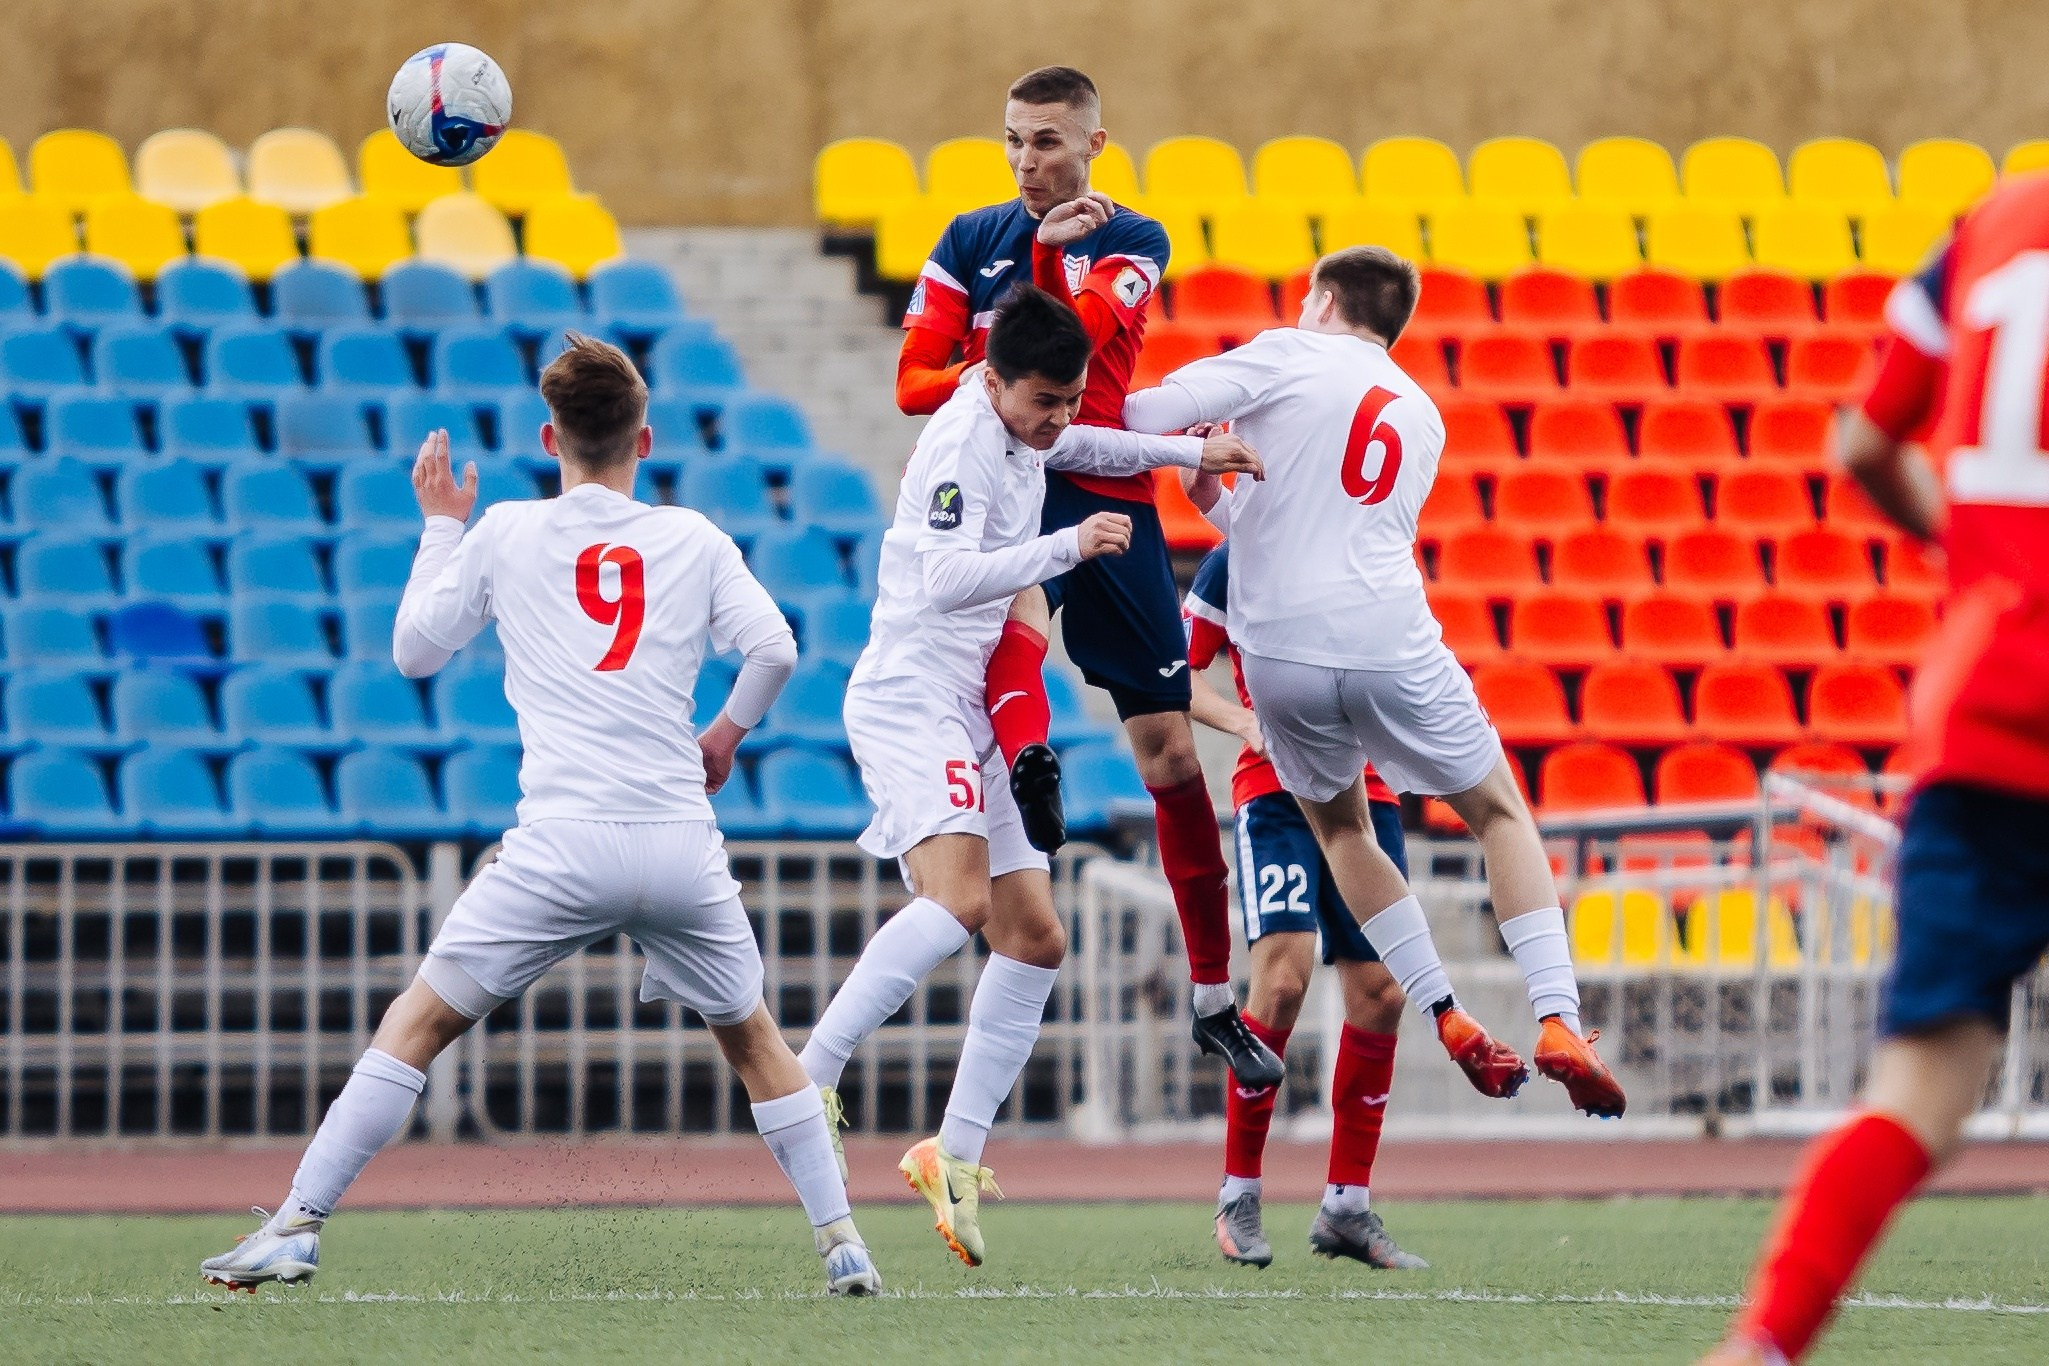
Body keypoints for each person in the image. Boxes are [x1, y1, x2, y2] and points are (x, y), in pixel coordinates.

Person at [199, 334, 882, 1297]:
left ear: (546, 437)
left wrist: (441, 523)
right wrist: (723, 738)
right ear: (644, 440)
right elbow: (773, 649)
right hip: (678, 840)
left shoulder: (507, 530)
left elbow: (413, 655)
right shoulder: (694, 537)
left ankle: (297, 1224)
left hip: (561, 841)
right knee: (757, 1040)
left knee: (419, 1021)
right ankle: (843, 1243)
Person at [810, 284, 1262, 1266]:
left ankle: (954, 1157)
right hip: (911, 693)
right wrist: (1068, 542)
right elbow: (939, 577)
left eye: (1067, 399)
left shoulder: (1029, 424)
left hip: (968, 697)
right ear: (992, 377)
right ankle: (812, 1071)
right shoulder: (960, 444)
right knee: (962, 900)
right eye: (1045, 400)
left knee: (1037, 937)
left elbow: (1091, 448)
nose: (1059, 418)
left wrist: (1189, 452)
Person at [1125, 246, 1626, 1117]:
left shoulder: (1283, 349)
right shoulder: (1423, 413)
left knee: (1341, 828)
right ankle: (1556, 1016)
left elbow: (1143, 413)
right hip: (1386, 632)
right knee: (1498, 812)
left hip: (1279, 652)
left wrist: (1190, 459)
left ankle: (1440, 1007)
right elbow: (1329, 519)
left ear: (1319, 300)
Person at [1701, 177, 2049, 1365]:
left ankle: (1764, 1343)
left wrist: (1987, 561)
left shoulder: (1993, 224)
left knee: (1920, 1088)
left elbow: (1860, 441)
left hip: (1989, 710)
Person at [896, 64, 1281, 1089]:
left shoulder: (1134, 241)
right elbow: (910, 386)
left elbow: (1091, 344)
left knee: (1166, 751)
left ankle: (1211, 998)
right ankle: (1029, 770)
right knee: (1015, 616)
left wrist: (1052, 277)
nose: (1030, 160)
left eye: (1050, 142)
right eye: (1016, 140)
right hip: (1010, 479)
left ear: (1096, 146)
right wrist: (991, 380)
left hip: (1106, 488)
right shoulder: (968, 241)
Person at [1184, 541, 1427, 1272]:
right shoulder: (1234, 560)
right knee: (1283, 980)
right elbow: (1174, 676)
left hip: (1366, 794)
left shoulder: (1372, 550)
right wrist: (1242, 722)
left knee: (1381, 992)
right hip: (1273, 794)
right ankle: (1239, 1192)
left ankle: (1346, 1208)